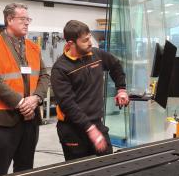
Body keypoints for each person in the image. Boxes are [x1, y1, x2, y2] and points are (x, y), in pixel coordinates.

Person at [0, 3, 49, 176]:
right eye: (23, 19)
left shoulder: (33, 47)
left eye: (28, 19)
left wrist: (36, 98)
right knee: (0, 171)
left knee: (25, 170)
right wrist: (21, 103)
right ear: (9, 20)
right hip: (4, 120)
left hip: (30, 119)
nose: (27, 23)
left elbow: (44, 76)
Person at [51, 20, 129, 160]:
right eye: (85, 40)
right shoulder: (60, 68)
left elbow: (115, 65)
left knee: (107, 164)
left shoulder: (96, 55)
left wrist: (121, 89)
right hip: (73, 129)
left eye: (89, 38)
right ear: (71, 43)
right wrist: (90, 128)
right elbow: (68, 104)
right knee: (79, 169)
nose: (90, 43)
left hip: (96, 123)